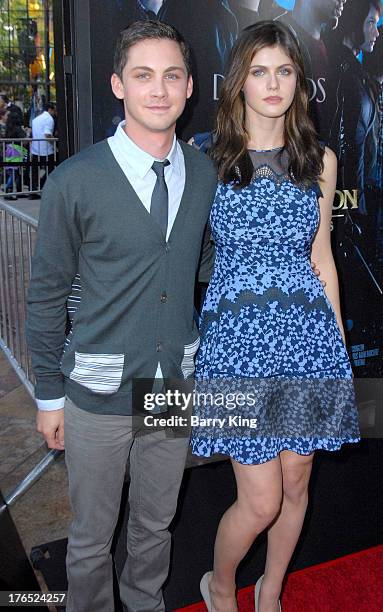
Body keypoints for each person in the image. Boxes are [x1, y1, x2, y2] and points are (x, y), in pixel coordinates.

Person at [26, 20, 217, 612]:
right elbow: (46, 295)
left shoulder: (204, 173)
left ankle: (145, 603)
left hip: (171, 389)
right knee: (89, 540)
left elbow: (201, 267)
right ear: (118, 86)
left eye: (171, 76)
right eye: (143, 76)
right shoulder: (74, 181)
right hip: (97, 393)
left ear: (188, 88)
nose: (158, 90)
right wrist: (49, 396)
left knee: (156, 525)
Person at [189, 20, 360, 612]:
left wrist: (335, 336)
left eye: (284, 71)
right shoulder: (207, 161)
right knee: (259, 499)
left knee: (297, 481)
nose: (273, 83)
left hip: (308, 339)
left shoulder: (322, 161)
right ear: (239, 81)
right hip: (237, 342)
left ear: (298, 82)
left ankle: (271, 590)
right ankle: (219, 583)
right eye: (259, 71)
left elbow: (323, 258)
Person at [30, 102, 56, 197]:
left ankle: (32, 190)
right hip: (46, 149)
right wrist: (55, 142)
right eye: (54, 110)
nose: (55, 112)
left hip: (35, 148)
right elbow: (47, 134)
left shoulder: (36, 119)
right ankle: (47, 188)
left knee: (35, 171)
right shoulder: (49, 119)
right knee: (51, 169)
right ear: (50, 109)